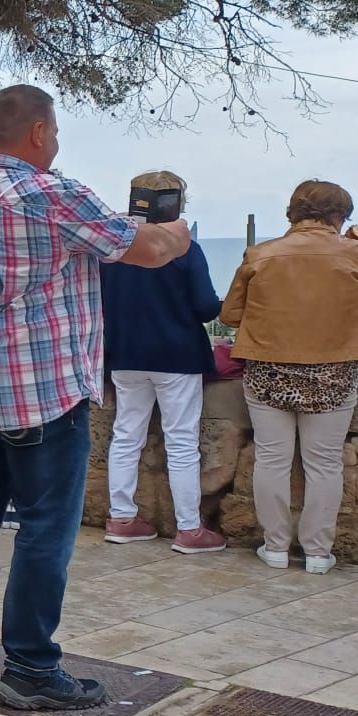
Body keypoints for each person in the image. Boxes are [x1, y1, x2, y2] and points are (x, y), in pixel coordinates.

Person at [0, 85, 191, 711]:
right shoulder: (50, 193)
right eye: (58, 132)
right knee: (45, 529)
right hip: (41, 393)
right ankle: (33, 670)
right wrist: (175, 227)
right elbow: (146, 251)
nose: (59, 143)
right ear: (39, 132)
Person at [220, 179, 358, 574]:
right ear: (336, 216)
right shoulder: (354, 253)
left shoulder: (259, 254)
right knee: (325, 463)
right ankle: (317, 552)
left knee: (272, 460)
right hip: (332, 374)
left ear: (293, 213)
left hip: (269, 372)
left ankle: (276, 546)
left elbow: (229, 315)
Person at [101, 170, 227, 553]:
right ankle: (189, 529)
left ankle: (121, 518)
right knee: (182, 441)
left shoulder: (114, 249)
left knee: (125, 435)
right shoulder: (184, 248)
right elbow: (206, 307)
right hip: (176, 355)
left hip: (124, 353)